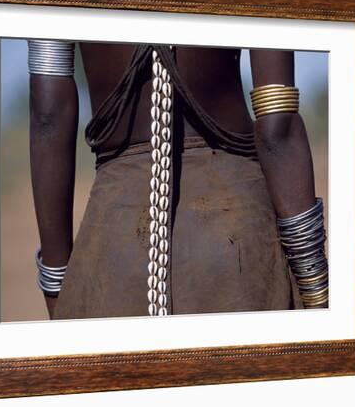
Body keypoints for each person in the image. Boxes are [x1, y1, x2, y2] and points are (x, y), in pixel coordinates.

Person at [27, 40, 328, 320]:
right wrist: (315, 290)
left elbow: (48, 115)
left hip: (113, 247)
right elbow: (277, 128)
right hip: (236, 236)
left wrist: (60, 294)